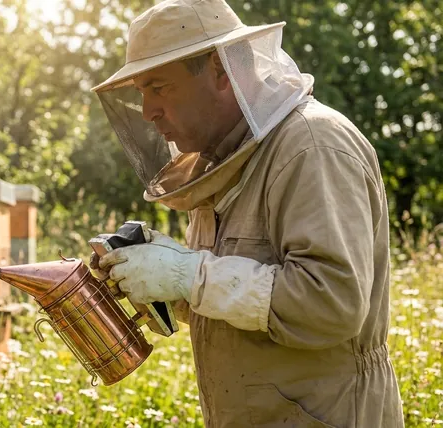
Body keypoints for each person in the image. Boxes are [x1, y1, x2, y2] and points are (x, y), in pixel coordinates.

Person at [90, 0, 404, 426]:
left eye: (159, 87)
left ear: (221, 71)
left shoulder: (311, 147)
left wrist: (190, 275)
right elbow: (238, 298)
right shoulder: (222, 163)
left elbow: (333, 303)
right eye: (141, 92)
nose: (147, 111)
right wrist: (169, 281)